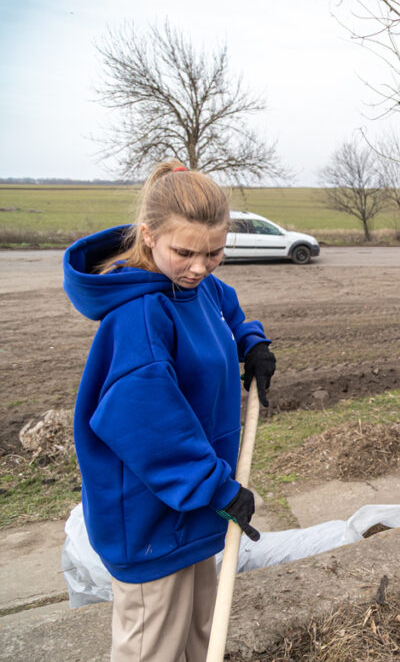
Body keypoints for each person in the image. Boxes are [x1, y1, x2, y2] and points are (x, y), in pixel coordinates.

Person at [63, 161, 276, 661]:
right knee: (154, 648)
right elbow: (149, 426)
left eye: (214, 252)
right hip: (152, 518)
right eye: (185, 253)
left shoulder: (192, 285)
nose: (200, 267)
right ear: (149, 236)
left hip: (192, 506)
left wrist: (251, 341)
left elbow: (222, 304)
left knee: (201, 638)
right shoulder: (139, 318)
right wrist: (219, 490)